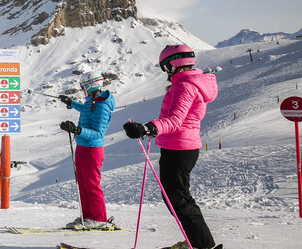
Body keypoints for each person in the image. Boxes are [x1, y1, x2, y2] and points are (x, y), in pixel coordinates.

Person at [123, 45, 221, 249]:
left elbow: (175, 120)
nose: (165, 71)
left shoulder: (184, 86)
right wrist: (149, 128)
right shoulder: (187, 84)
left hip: (179, 148)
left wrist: (147, 128)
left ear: (173, 64)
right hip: (180, 146)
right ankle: (197, 242)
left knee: (178, 199)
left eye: (165, 66)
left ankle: (202, 245)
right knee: (178, 197)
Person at [58, 72, 115, 230]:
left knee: (92, 185)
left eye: (83, 87)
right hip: (82, 147)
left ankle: (99, 218)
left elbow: (98, 133)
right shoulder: (93, 101)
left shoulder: (102, 106)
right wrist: (70, 103)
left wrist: (77, 130)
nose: (82, 90)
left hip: (92, 150)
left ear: (91, 86)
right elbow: (85, 108)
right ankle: (87, 216)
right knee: (82, 184)